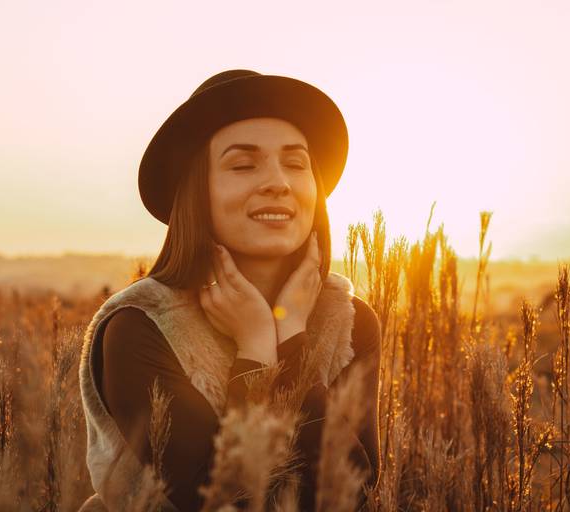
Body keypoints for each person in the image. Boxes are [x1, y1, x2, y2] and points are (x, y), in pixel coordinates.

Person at [77, 69, 382, 511]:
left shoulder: (349, 319)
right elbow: (218, 502)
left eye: (296, 163)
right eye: (243, 164)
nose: (278, 181)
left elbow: (353, 490)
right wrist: (257, 348)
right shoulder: (139, 325)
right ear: (197, 191)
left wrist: (291, 337)